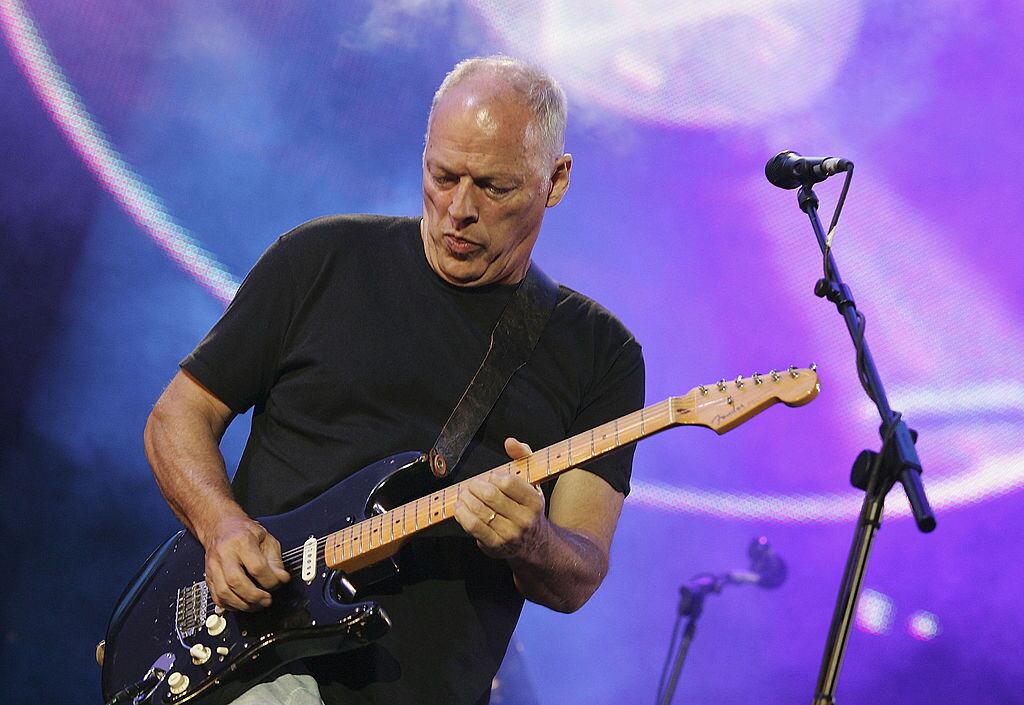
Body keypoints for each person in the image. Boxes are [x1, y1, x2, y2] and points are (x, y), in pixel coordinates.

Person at [144, 55, 645, 705]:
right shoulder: (321, 258)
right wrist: (222, 527)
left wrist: (535, 539)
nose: (458, 209)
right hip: (248, 668)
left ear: (556, 180)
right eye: (442, 175)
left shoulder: (601, 352)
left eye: (494, 187)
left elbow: (577, 576)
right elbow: (178, 415)